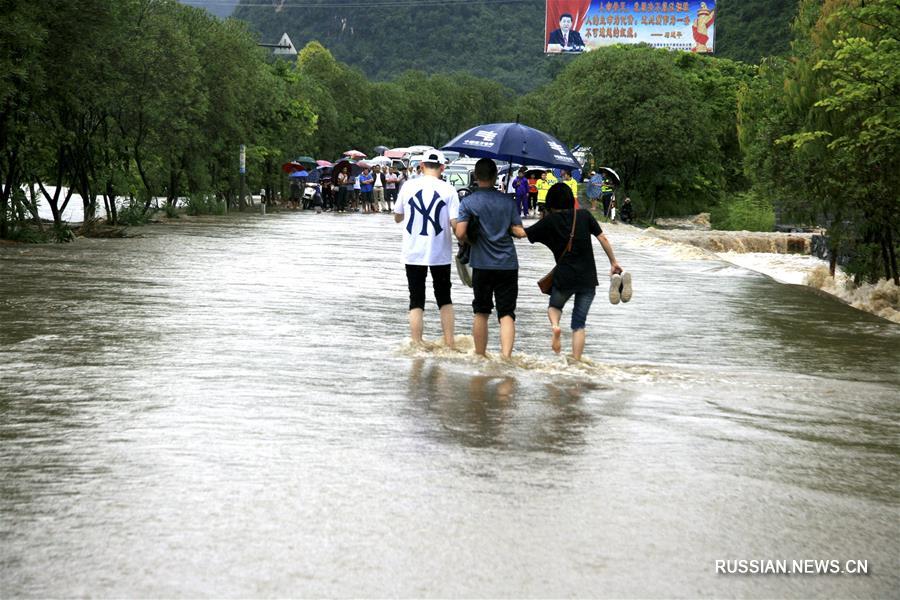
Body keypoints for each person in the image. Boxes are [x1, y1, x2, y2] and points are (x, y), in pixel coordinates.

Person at [525, 183, 626, 360]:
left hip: (564, 279)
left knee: (554, 306)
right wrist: (613, 262)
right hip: (588, 280)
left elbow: (522, 233)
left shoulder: (549, 221)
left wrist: (508, 224)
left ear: (551, 202)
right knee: (579, 324)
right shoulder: (584, 215)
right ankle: (577, 361)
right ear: (570, 200)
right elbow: (602, 237)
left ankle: (556, 326)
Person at [455, 158, 527, 358]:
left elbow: (460, 233)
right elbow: (518, 230)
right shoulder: (508, 202)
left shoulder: (468, 202)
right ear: (496, 177)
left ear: (475, 177)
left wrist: (471, 240)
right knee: (506, 314)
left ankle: (480, 356)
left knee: (481, 312)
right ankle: (506, 358)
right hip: (507, 264)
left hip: (481, 265)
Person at [393, 149, 460, 349]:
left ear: (421, 166)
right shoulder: (449, 190)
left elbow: (397, 216)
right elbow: (455, 223)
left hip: (413, 252)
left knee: (416, 299)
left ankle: (416, 344)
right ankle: (450, 344)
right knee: (444, 298)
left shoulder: (408, 186)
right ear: (443, 167)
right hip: (440, 253)